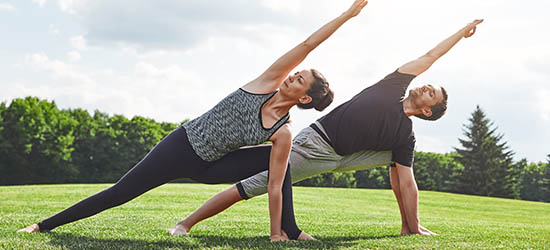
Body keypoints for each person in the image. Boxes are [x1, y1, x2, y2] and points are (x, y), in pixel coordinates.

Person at [17, 0, 370, 242]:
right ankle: (43, 226)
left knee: (280, 166)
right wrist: (348, 15)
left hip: (212, 167)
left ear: (304, 98)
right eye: (295, 74)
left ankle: (287, 231)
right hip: (181, 146)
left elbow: (275, 185)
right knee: (120, 193)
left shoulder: (283, 132)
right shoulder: (267, 82)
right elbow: (308, 43)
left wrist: (274, 232)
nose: (292, 75)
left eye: (299, 80)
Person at [170, 19, 484, 239]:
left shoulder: (405, 135)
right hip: (316, 145)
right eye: (429, 85)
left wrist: (412, 224)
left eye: (431, 93)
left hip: (348, 157)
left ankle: (409, 226)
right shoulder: (393, 86)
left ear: (427, 110)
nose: (426, 86)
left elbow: (406, 182)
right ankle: (186, 223)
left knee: (401, 164)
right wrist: (460, 33)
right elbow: (431, 56)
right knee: (256, 184)